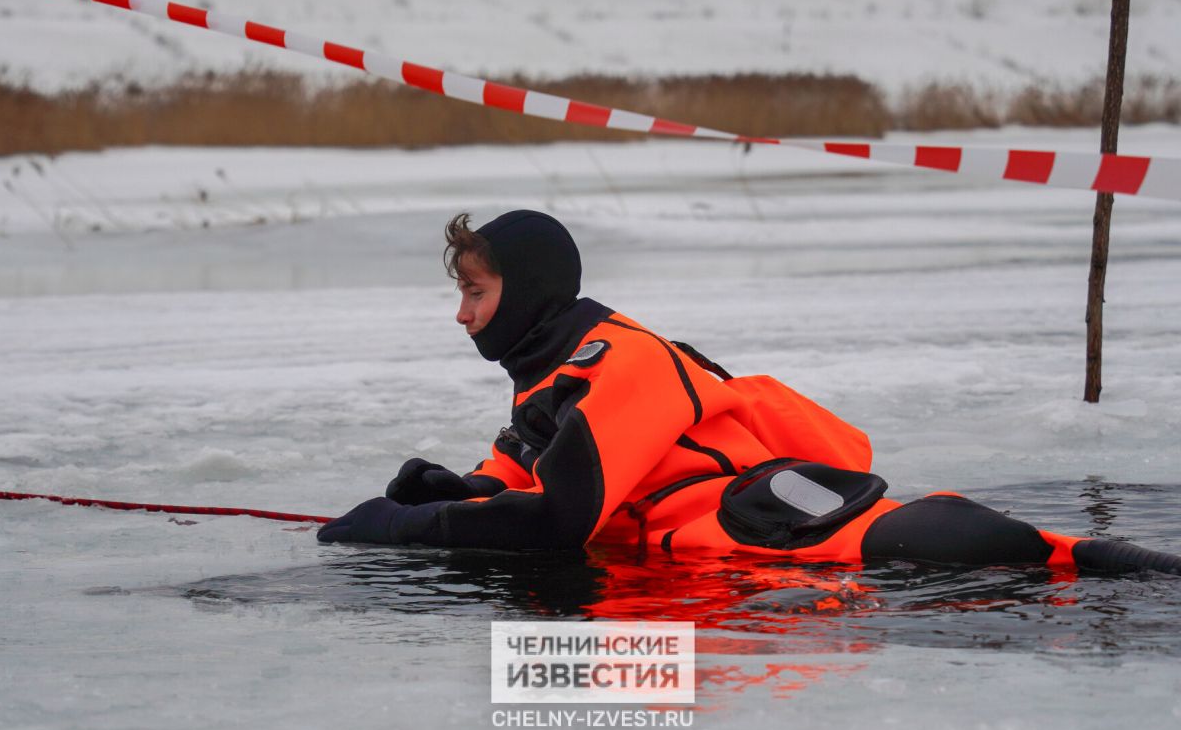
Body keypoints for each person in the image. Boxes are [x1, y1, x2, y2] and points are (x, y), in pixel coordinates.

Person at [317, 210, 1181, 575]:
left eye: (474, 294)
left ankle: (1092, 562)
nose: (461, 317)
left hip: (776, 535)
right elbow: (523, 475)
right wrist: (455, 490)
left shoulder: (619, 358)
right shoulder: (552, 379)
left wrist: (401, 529)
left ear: (530, 290)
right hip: (720, 546)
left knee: (974, 552)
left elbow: (558, 523)